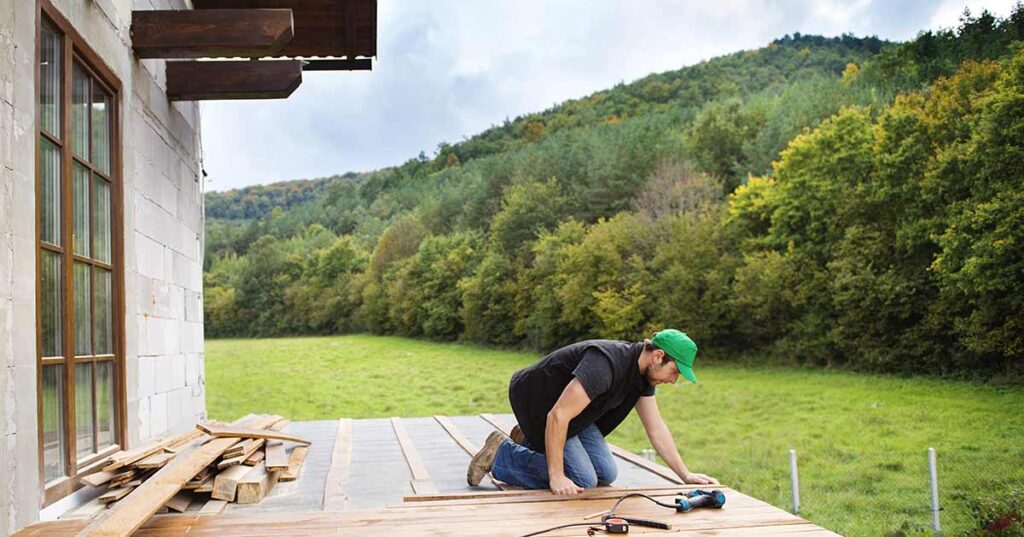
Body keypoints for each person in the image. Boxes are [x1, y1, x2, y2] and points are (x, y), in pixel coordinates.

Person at [467, 329, 719, 494]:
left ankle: (531, 440)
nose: (674, 380)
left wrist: (685, 475)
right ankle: (502, 453)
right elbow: (557, 415)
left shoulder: (642, 378)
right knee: (583, 479)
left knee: (606, 473)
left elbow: (656, 428)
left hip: (575, 413)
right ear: (658, 356)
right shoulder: (606, 364)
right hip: (539, 402)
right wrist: (555, 476)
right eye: (674, 372)